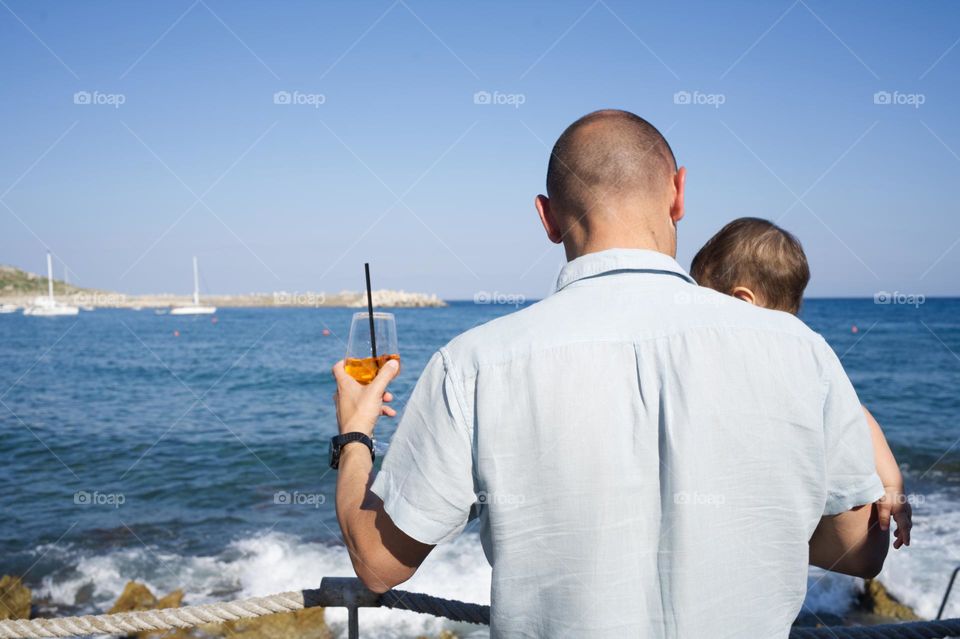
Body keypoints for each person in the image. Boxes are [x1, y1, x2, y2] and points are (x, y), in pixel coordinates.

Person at [331, 110, 889, 638]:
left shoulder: (474, 363)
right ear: (678, 193)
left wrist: (355, 435)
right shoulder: (800, 349)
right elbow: (860, 551)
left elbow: (378, 565)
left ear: (547, 219)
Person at [689, 216, 912, 549]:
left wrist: (893, 483)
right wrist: (892, 483)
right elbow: (855, 411)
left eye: (702, 299)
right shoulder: (807, 358)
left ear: (741, 302)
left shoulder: (758, 355)